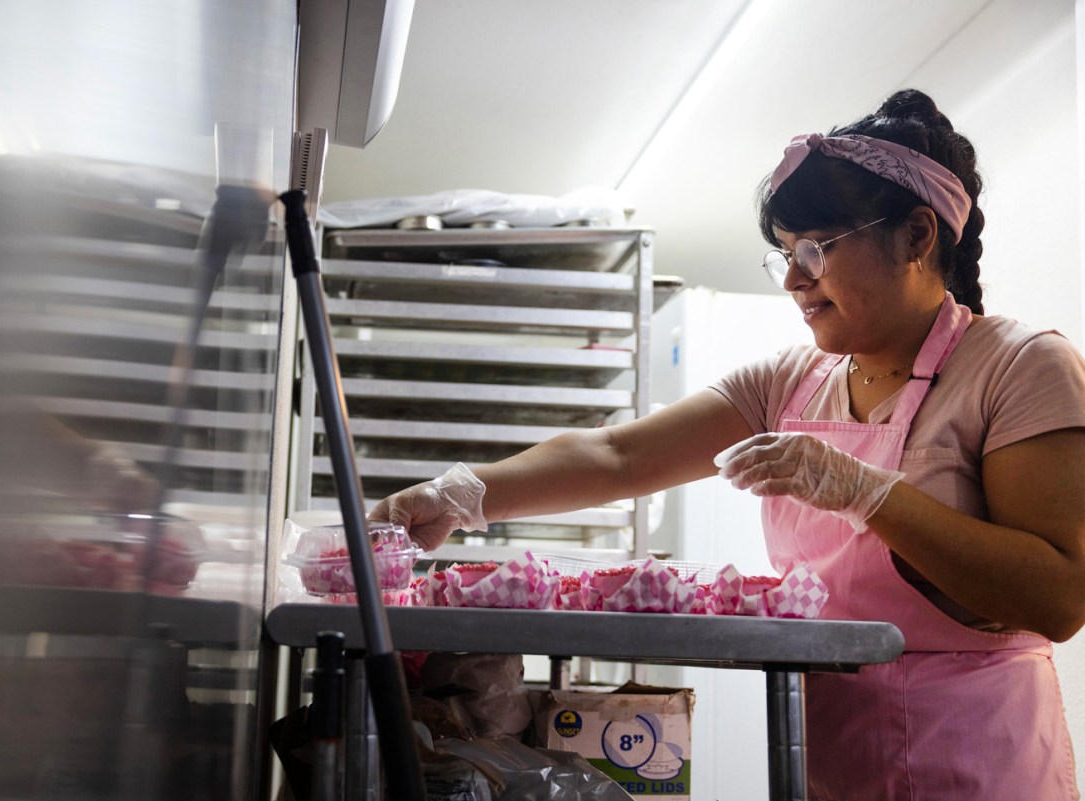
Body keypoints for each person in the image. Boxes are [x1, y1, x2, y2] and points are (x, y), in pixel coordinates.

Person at [369, 89, 1085, 800]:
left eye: (815, 249)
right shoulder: (790, 381)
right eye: (783, 257)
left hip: (979, 762)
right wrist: (460, 492)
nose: (796, 280)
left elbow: (1059, 596)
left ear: (918, 236)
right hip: (830, 760)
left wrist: (868, 492)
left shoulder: (1018, 365)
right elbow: (617, 456)